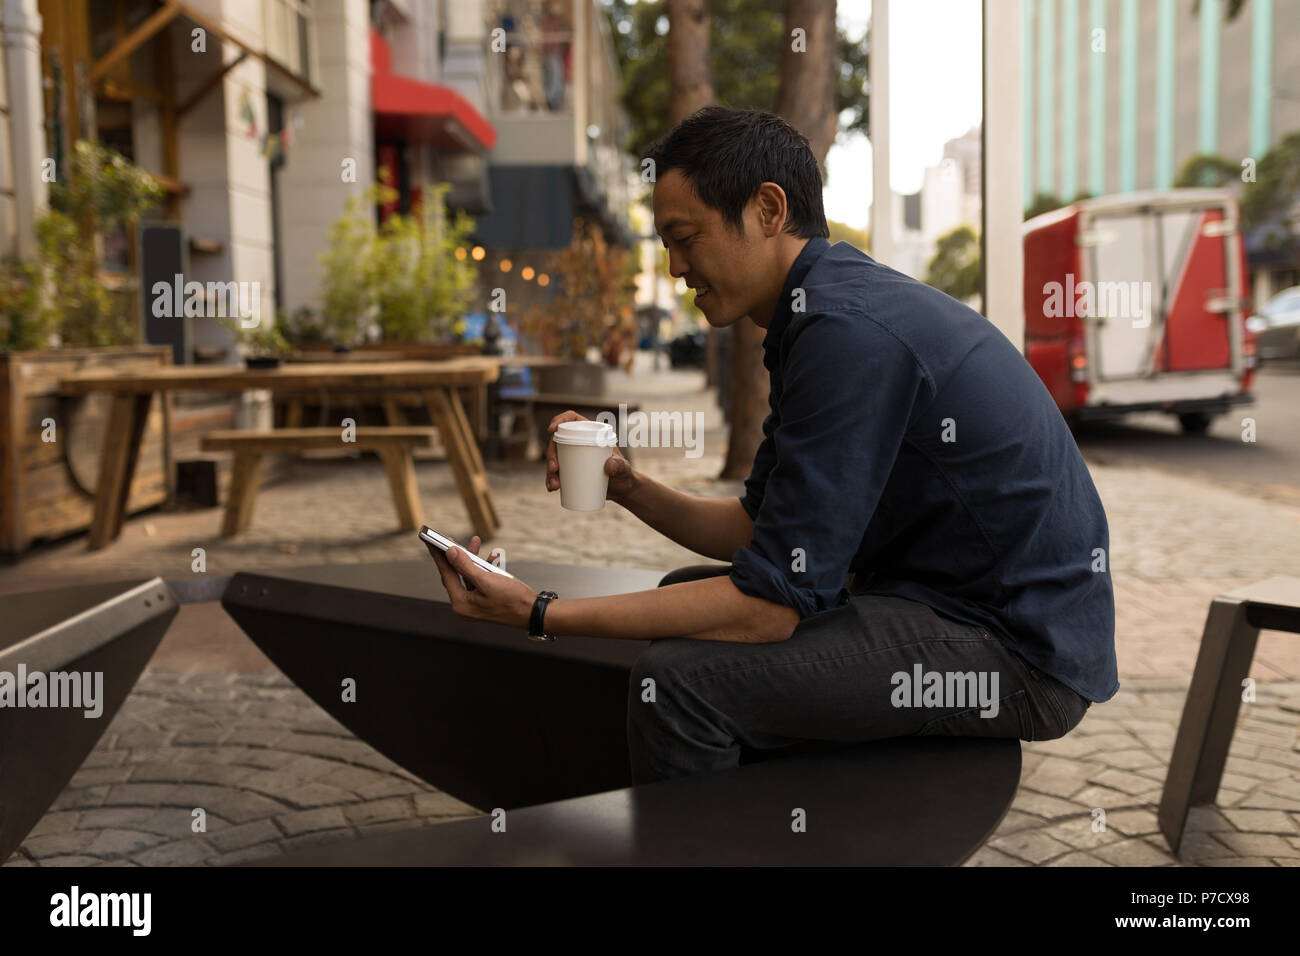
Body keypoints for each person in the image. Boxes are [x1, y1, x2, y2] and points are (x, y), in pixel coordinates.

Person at [428, 107, 1117, 784]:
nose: (674, 267)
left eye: (685, 237)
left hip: (1019, 654)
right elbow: (759, 532)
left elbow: (766, 609)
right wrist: (627, 485)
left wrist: (539, 612)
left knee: (678, 686)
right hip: (942, 604)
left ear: (766, 208)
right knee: (681, 598)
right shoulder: (815, 313)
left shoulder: (844, 331)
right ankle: (773, 826)